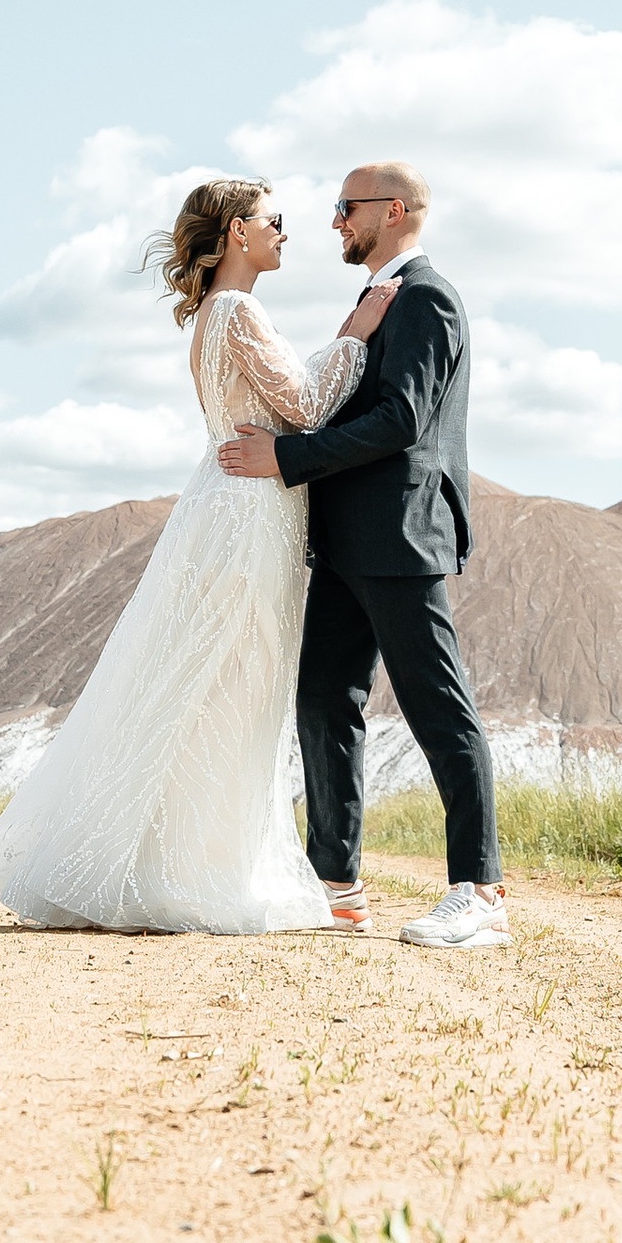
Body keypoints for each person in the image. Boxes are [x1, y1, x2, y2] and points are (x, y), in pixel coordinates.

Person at [0, 179, 394, 932]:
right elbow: (306, 406)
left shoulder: (219, 314)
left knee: (212, 685)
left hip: (239, 506)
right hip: (248, 513)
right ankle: (187, 872)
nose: (286, 231)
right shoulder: (237, 311)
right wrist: (355, 335)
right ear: (237, 233)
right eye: (274, 219)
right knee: (228, 685)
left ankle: (177, 864)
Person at [216, 161, 509, 953]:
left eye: (346, 206)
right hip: (346, 540)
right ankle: (335, 888)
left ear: (394, 211)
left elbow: (401, 419)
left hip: (400, 535)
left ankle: (480, 893)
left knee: (437, 707)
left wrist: (287, 458)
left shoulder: (427, 297)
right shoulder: (377, 301)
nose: (335, 221)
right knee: (322, 700)